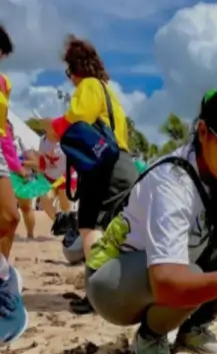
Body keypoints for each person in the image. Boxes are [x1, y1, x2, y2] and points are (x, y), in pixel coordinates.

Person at [85, 91, 217, 354]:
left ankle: (192, 329)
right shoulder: (172, 183)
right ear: (203, 132)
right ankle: (151, 337)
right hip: (111, 283)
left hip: (164, 267)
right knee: (189, 273)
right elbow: (168, 283)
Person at [43, 35, 140, 313]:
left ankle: (97, 295)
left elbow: (78, 117)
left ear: (77, 68)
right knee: (116, 230)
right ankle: (120, 289)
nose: (70, 78)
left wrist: (54, 125)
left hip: (103, 167)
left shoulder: (87, 86)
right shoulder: (109, 91)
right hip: (123, 163)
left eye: (68, 71)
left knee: (89, 227)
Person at [0, 25, 28, 344]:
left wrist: (15, 165)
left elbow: (4, 128)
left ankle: (3, 281)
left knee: (9, 217)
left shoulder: (3, 83)